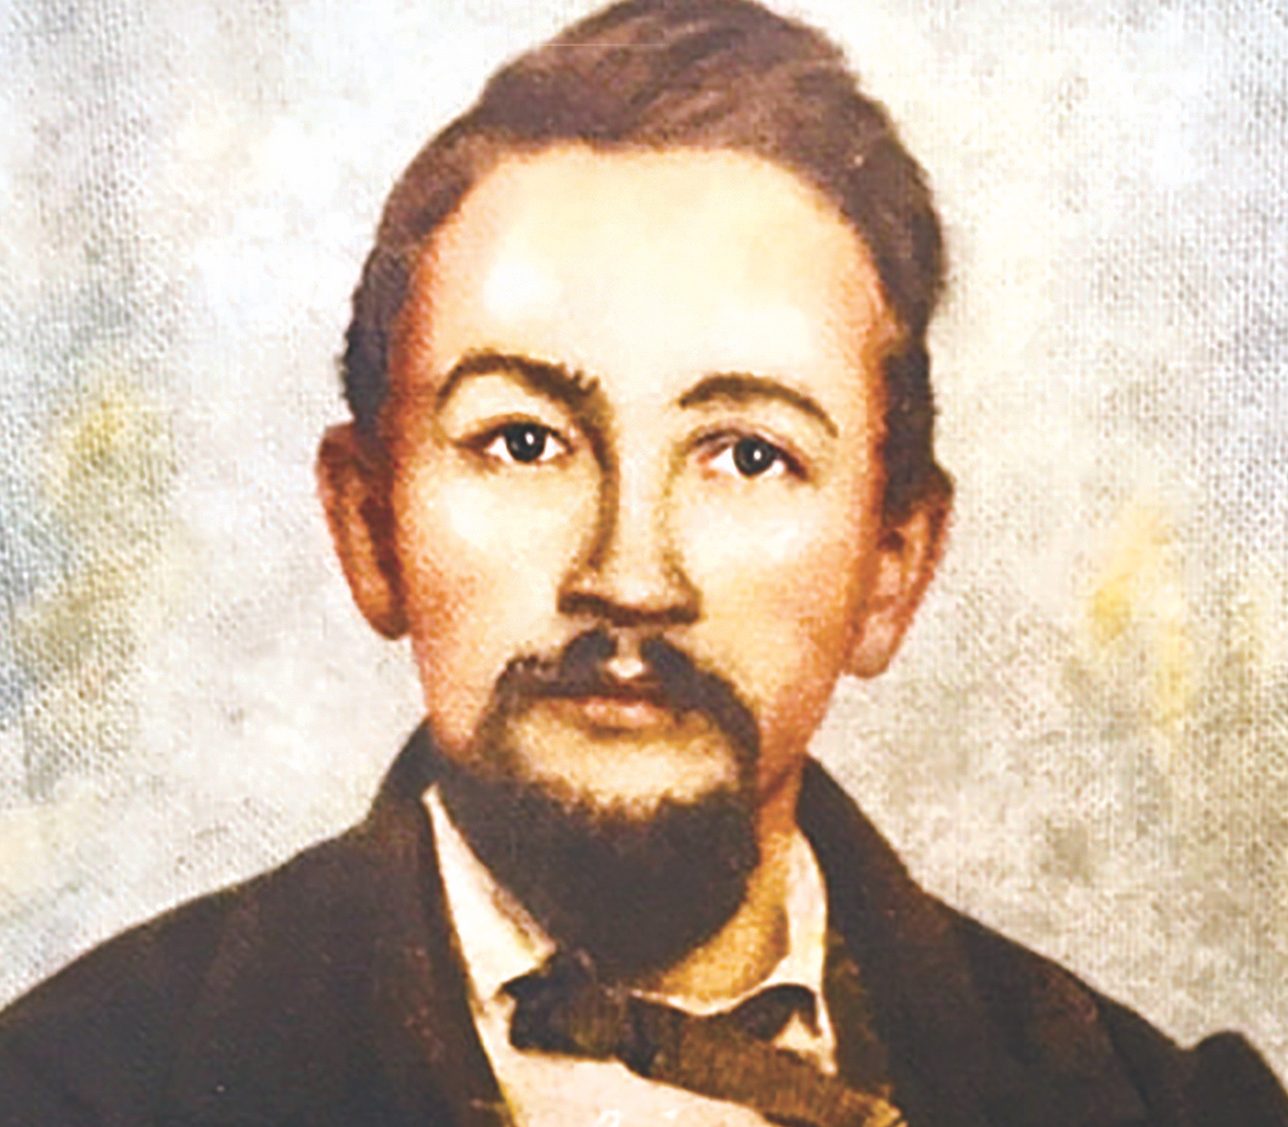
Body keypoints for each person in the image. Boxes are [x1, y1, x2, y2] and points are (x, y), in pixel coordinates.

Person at [1, 1, 1284, 1124]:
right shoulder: (73, 1087)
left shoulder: (1162, 1110)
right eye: (523, 440)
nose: (629, 573)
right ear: (370, 524)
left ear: (892, 566)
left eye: (748, 454)